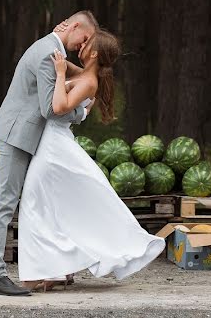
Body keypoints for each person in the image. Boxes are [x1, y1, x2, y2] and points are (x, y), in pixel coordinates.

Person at [17, 29, 165, 291]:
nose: (82, 44)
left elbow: (58, 108)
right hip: (52, 144)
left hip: (53, 146)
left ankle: (38, 272)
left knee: (33, 202)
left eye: (87, 43)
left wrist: (61, 74)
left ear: (95, 53)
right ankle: (57, 270)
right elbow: (73, 92)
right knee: (51, 205)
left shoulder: (88, 81)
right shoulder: (85, 75)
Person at [0, 10, 98, 297]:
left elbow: (60, 84)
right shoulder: (49, 52)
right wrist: (80, 112)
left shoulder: (51, 48)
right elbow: (50, 108)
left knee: (24, 201)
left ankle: (50, 268)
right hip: (17, 135)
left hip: (24, 134)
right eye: (82, 39)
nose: (80, 46)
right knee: (5, 203)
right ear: (72, 27)